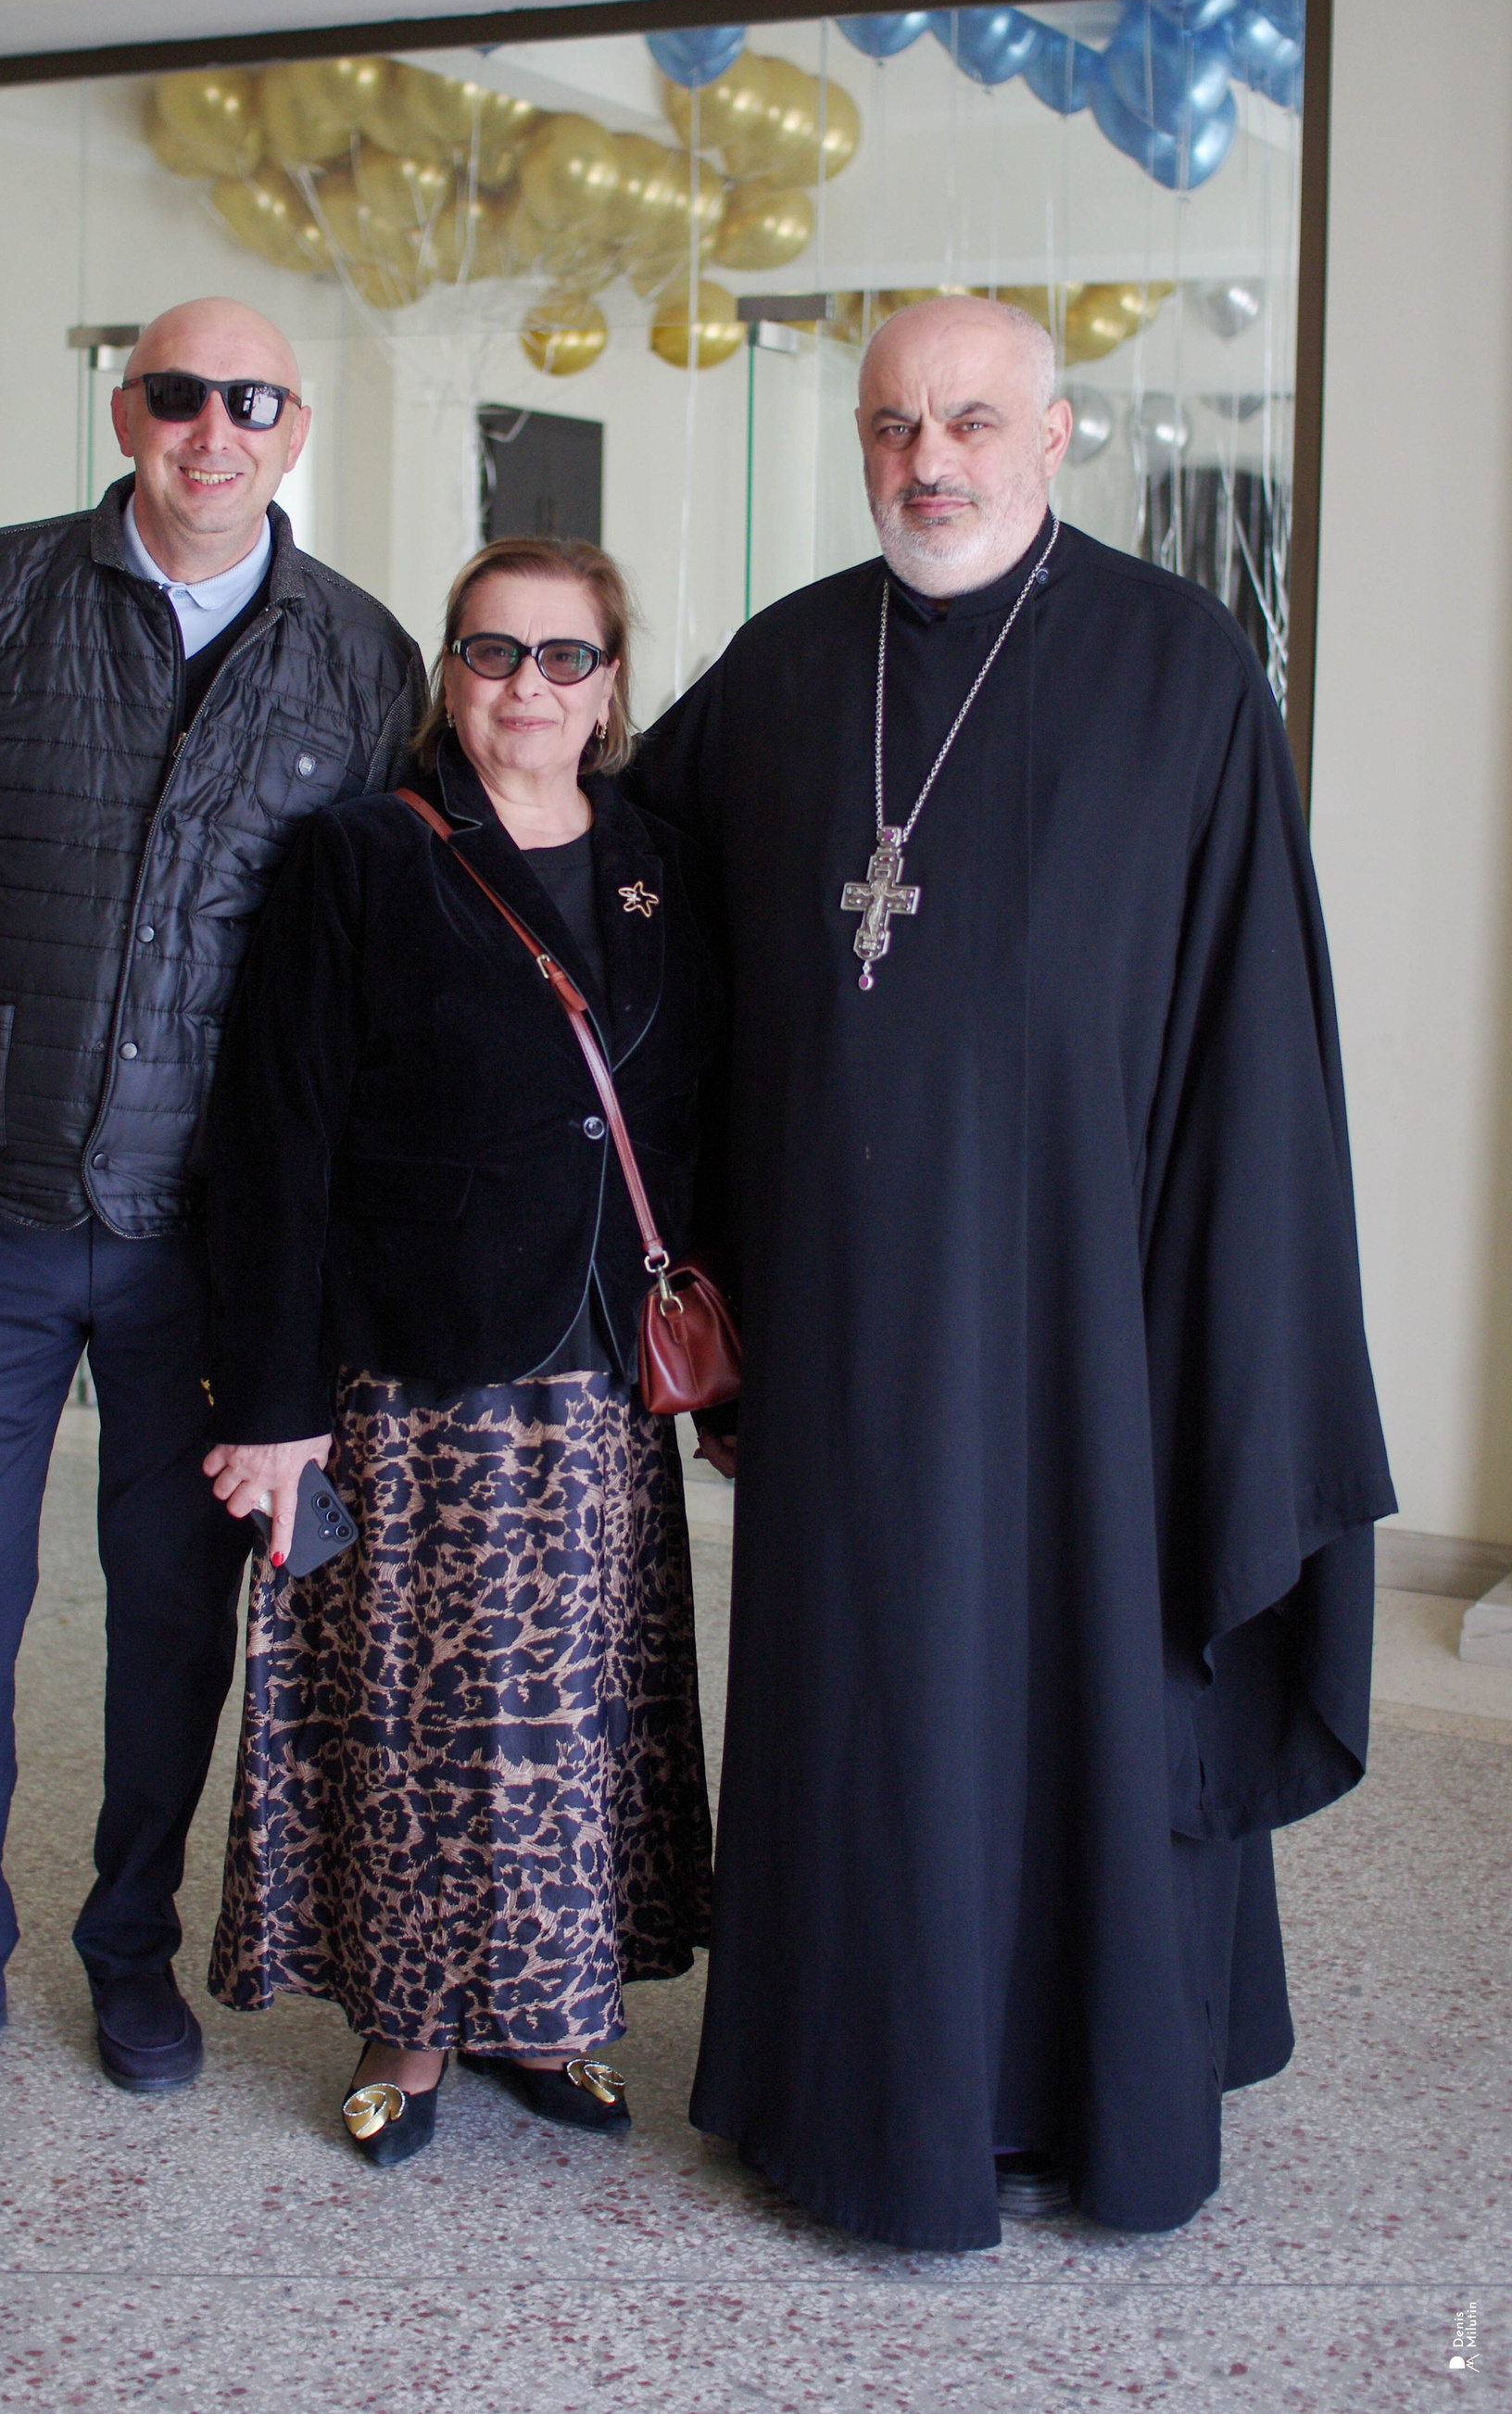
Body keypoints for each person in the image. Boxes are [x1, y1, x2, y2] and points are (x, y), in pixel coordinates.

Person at [628, 295, 1393, 2251]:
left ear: (1054, 437)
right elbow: (637, 923)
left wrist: (1224, 1348)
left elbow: (1254, 1044)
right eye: (894, 425)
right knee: (869, 1699)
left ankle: (1082, 2088)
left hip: (1088, 1343)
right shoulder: (789, 666)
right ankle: (850, 2094)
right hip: (848, 1326)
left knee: (1082, 1687)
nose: (929, 462)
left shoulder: (1179, 668)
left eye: (971, 420)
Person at [0, 297, 424, 2113]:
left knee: (170, 1607)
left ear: (294, 427)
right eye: (177, 395)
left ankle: (129, 1947)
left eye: (251, 400)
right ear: (125, 410)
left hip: (204, 1239)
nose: (211, 430)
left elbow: (370, 941)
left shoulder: (359, 656)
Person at [200, 536, 716, 2166]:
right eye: (494, 653)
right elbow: (275, 1136)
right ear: (451, 675)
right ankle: (410, 2028)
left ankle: (546, 2014)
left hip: (599, 1372)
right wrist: (273, 1403)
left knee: (568, 1726)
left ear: (610, 687)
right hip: (423, 1369)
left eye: (565, 657)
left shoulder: (659, 865)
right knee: (425, 1721)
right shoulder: (363, 856)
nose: (528, 688)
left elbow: (693, 1116)